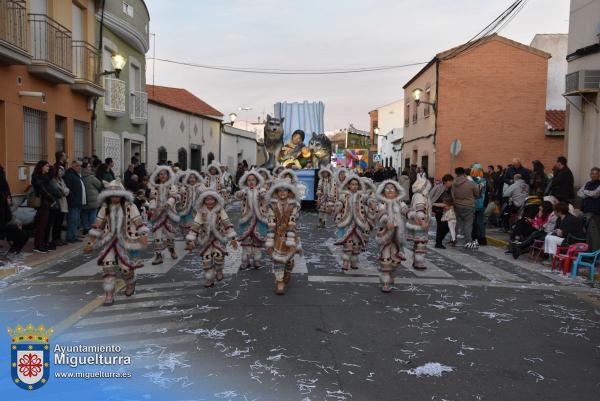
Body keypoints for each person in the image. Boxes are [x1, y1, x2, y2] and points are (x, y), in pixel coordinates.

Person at [84, 179, 149, 306]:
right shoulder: (105, 208)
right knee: (108, 267)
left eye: (117, 194)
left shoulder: (130, 206)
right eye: (112, 195)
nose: (114, 197)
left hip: (126, 241)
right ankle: (109, 294)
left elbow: (139, 223)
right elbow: (97, 226)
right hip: (109, 242)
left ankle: (130, 283)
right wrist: (90, 243)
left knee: (125, 269)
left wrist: (143, 236)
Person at [186, 190, 237, 288]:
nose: (209, 202)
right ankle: (209, 278)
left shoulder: (220, 210)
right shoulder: (201, 212)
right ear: (203, 201)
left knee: (219, 257)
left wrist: (232, 237)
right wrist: (191, 239)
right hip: (205, 239)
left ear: (216, 200)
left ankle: (219, 270)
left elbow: (227, 223)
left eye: (212, 199)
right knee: (206, 258)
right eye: (207, 200)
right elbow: (196, 225)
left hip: (219, 238)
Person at [265, 180, 301, 295]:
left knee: (289, 259)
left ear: (289, 192)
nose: (282, 193)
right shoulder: (271, 205)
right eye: (279, 191)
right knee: (277, 259)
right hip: (276, 235)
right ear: (276, 192)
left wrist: (290, 235)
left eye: (285, 190)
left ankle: (288, 272)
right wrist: (270, 236)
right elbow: (271, 220)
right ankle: (279, 281)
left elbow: (293, 219)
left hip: (290, 233)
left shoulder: (294, 205)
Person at [374, 180, 408, 292]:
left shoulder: (399, 202)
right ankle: (385, 282)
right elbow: (380, 212)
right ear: (383, 192)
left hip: (398, 237)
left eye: (392, 188)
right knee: (386, 259)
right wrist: (386, 220)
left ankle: (391, 273)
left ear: (397, 192)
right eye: (387, 188)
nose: (389, 190)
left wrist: (412, 214)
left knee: (396, 261)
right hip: (385, 235)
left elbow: (405, 210)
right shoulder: (381, 203)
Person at [333, 175, 370, 271]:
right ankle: (345, 262)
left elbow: (368, 202)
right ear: (348, 185)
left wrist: (371, 202)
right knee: (348, 243)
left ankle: (354, 261)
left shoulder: (362, 196)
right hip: (347, 223)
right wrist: (338, 206)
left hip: (359, 223)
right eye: (352, 184)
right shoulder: (344, 195)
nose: (354, 186)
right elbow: (340, 203)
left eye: (356, 184)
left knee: (357, 244)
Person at [235, 170, 268, 270]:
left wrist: (263, 195)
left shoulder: (261, 190)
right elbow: (237, 196)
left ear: (257, 180)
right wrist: (240, 193)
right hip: (246, 219)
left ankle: (257, 260)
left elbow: (266, 197)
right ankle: (246, 261)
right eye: (249, 180)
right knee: (246, 241)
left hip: (259, 218)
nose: (251, 182)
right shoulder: (244, 191)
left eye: (253, 180)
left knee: (257, 241)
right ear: (245, 181)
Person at [149, 166, 180, 264]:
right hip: (157, 214)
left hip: (169, 214)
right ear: (157, 176)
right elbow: (152, 198)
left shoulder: (172, 186)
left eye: (164, 174)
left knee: (170, 235)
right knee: (157, 235)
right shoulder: (154, 187)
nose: (162, 176)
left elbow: (173, 197)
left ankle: (172, 250)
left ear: (168, 175)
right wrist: (153, 207)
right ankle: (158, 255)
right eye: (160, 174)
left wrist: (167, 204)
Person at [0, 164, 27, 255]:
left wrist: (16, 222)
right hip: (4, 216)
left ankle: (14, 249)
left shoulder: (2, 179)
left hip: (4, 215)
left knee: (22, 233)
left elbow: (8, 209)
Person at [407, 175, 432, 269]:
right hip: (419, 224)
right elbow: (420, 211)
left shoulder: (417, 195)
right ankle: (419, 263)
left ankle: (416, 261)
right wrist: (423, 222)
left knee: (417, 243)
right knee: (421, 244)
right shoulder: (421, 196)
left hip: (415, 223)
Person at [451, 167, 479, 249]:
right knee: (468, 224)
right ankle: (468, 241)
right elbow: (477, 194)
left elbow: (452, 194)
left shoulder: (453, 183)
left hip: (457, 205)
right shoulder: (470, 183)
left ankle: (454, 239)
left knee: (457, 223)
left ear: (456, 173)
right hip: (469, 205)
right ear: (464, 173)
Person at [31, 161, 55, 253]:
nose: (48, 168)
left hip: (46, 203)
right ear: (41, 167)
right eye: (46, 166)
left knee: (45, 225)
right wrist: (52, 200)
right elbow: (43, 190)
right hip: (42, 204)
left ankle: (42, 243)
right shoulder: (37, 177)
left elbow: (52, 172)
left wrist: (50, 166)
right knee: (41, 226)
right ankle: (38, 245)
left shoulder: (45, 177)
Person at [47, 165, 69, 248]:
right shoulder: (53, 180)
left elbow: (67, 190)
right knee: (56, 223)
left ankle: (58, 238)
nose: (61, 172)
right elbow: (61, 191)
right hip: (57, 203)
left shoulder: (62, 180)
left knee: (60, 223)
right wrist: (64, 191)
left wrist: (65, 191)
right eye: (60, 171)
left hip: (63, 203)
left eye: (62, 171)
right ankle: (55, 239)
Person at [578, 167, 600, 251]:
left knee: (594, 235)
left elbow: (595, 194)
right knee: (585, 233)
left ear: (599, 175)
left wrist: (585, 192)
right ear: (590, 175)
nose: (594, 175)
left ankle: (595, 254)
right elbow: (579, 193)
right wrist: (588, 193)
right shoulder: (587, 183)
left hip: (595, 213)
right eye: (592, 173)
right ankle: (587, 251)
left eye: (596, 174)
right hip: (585, 211)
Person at [64, 161, 86, 243]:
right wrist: (73, 199)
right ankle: (70, 237)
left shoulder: (76, 175)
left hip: (78, 202)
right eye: (77, 166)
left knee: (76, 220)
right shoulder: (70, 175)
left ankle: (73, 236)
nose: (79, 167)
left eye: (80, 166)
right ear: (72, 166)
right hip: (73, 203)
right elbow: (68, 189)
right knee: (72, 220)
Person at [430, 174, 454, 248]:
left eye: (451, 181)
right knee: (443, 226)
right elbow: (430, 197)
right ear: (445, 182)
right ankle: (438, 242)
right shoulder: (438, 188)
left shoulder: (450, 189)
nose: (451, 183)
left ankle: (439, 242)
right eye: (450, 181)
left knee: (445, 227)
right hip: (438, 210)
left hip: (447, 211)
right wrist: (431, 209)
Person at [81, 161, 103, 234]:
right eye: (89, 166)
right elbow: (99, 185)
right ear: (86, 168)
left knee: (84, 214)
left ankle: (85, 228)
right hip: (93, 199)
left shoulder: (80, 176)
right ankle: (92, 228)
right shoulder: (91, 177)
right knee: (92, 214)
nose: (91, 168)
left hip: (84, 199)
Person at [471, 164, 488, 245]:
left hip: (475, 204)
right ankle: (481, 238)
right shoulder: (483, 180)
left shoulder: (478, 181)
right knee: (479, 221)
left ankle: (477, 238)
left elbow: (478, 190)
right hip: (480, 203)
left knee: (476, 222)